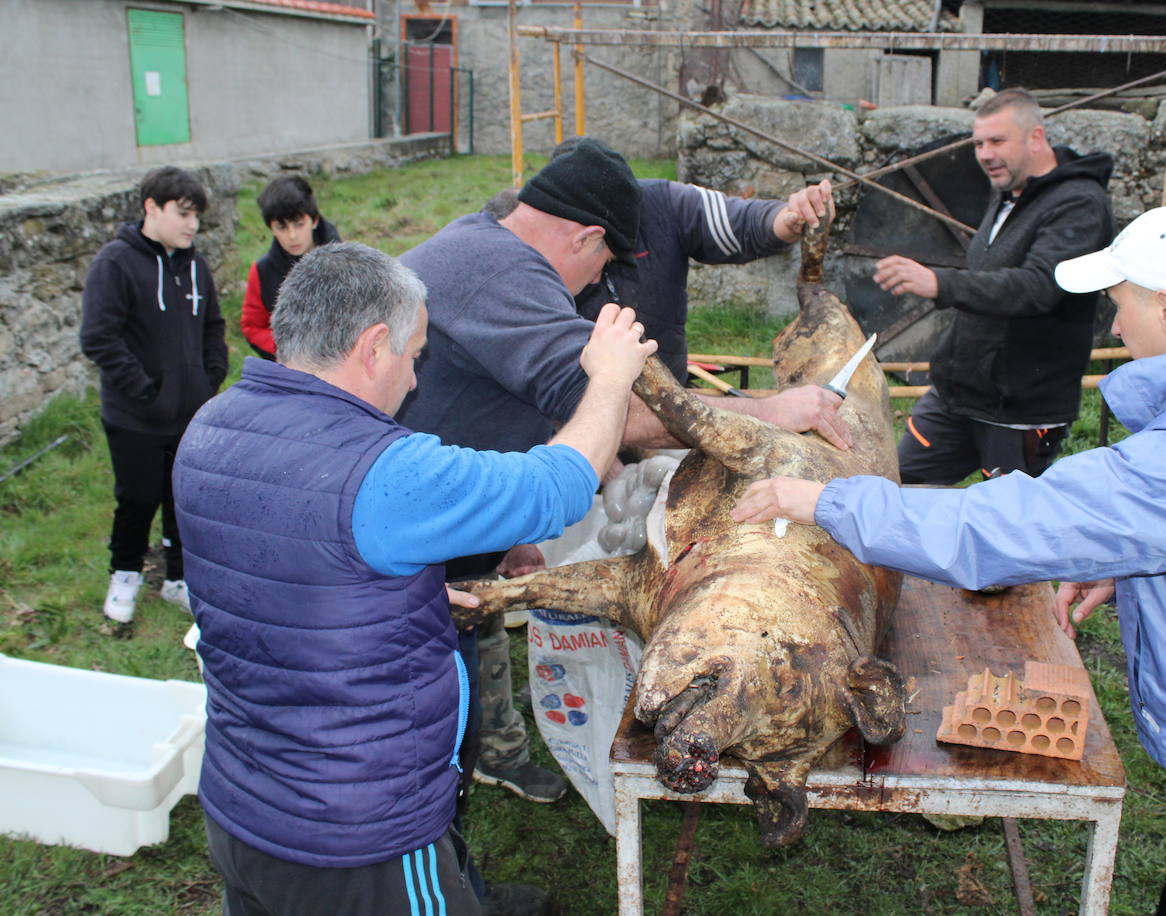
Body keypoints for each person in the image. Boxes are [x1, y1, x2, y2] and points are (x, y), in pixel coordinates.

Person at [733, 203, 1166, 915]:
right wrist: (1128, 558)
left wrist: (827, 500)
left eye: (1120, 302)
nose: (1113, 323)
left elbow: (1007, 526)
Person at [173, 241, 656, 916]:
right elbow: (556, 488)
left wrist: (403, 596)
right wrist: (608, 379)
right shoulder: (384, 473)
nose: (415, 379)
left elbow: (278, 575)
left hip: (242, 809)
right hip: (363, 843)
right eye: (413, 354)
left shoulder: (210, 431)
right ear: (374, 346)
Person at [396, 139, 851, 809]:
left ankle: (448, 833)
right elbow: (618, 408)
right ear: (584, 237)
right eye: (604, 265)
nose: (593, 287)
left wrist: (501, 533)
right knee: (419, 734)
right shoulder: (506, 275)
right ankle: (428, 852)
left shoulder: (478, 247)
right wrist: (770, 411)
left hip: (432, 531)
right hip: (400, 555)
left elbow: (504, 407)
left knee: (441, 721)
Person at [873, 87, 1115, 484]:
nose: (985, 154)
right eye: (979, 143)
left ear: (1035, 138)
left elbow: (1039, 287)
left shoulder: (1079, 203)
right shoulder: (1006, 192)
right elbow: (991, 278)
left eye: (997, 141)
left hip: (1022, 409)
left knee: (1007, 527)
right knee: (896, 490)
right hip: (956, 397)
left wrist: (939, 282)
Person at [486, 136, 834, 382]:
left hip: (669, 400)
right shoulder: (533, 238)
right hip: (574, 403)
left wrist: (788, 219)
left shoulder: (662, 204)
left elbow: (743, 224)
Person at [79, 165, 227, 624]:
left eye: (196, 216)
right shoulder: (115, 263)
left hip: (188, 415)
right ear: (151, 207)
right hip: (135, 416)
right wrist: (145, 390)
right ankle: (124, 574)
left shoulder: (196, 265)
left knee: (182, 498)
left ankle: (177, 578)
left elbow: (213, 328)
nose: (192, 225)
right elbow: (99, 337)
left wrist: (210, 378)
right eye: (182, 213)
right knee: (138, 497)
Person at [240, 174, 342, 359]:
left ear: (314, 220)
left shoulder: (346, 260)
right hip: (293, 366)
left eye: (299, 224)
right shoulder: (262, 271)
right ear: (271, 228)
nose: (292, 235)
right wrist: (291, 351)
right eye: (282, 227)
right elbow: (252, 326)